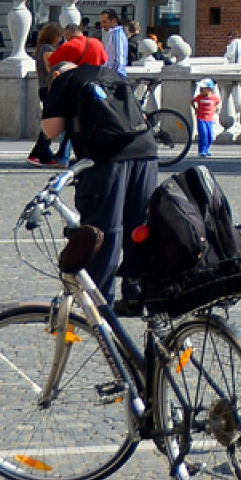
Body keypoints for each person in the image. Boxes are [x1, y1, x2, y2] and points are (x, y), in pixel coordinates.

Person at [39, 41, 160, 304]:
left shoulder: (64, 80)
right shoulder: (113, 74)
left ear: (57, 72)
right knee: (140, 227)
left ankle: (99, 301)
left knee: (105, 229)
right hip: (145, 152)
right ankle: (139, 295)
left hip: (105, 158)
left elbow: (51, 130)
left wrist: (53, 101)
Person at [27, 23, 71, 167]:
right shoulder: (48, 49)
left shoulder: (42, 48)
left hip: (44, 88)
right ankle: (36, 152)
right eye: (59, 37)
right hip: (49, 88)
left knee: (51, 120)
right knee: (54, 122)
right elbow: (51, 68)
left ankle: (46, 155)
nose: (60, 40)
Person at [192, 79, 220, 157]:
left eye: (203, 89)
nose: (201, 90)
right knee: (203, 134)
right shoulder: (199, 97)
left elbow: (218, 101)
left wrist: (215, 108)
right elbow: (192, 101)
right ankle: (202, 150)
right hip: (201, 118)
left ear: (209, 89)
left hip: (210, 119)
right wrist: (196, 109)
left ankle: (207, 149)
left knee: (210, 135)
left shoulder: (214, 98)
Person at [98, 9, 129, 77]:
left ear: (114, 21)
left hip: (116, 77)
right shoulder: (115, 34)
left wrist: (111, 76)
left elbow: (118, 60)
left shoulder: (116, 35)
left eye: (104, 22)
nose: (102, 25)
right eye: (102, 22)